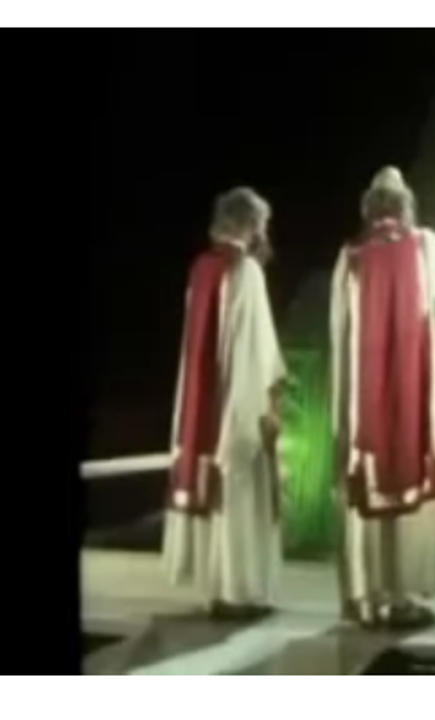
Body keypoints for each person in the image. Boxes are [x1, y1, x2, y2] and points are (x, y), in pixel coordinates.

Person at [329, 167, 435, 629]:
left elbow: (339, 332)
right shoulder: (422, 248)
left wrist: (344, 405)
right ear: (405, 206)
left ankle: (366, 595)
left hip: (365, 408)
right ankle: (402, 598)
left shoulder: (351, 257)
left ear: (369, 210)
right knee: (408, 485)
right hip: (408, 403)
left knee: (367, 487)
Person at [163, 187, 288, 619]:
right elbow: (255, 347)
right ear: (249, 225)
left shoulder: (202, 268)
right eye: (261, 225)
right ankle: (239, 592)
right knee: (240, 493)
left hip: (203, 408)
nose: (263, 234)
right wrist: (267, 405)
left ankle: (216, 589)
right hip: (238, 403)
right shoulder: (245, 270)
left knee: (217, 495)